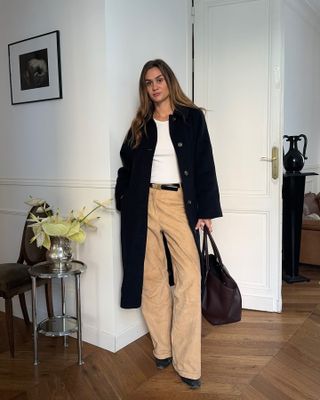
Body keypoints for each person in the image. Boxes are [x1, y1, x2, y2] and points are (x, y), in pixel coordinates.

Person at [115, 59, 222, 389]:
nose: (154, 86)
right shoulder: (141, 124)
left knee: (190, 280)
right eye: (148, 82)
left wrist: (206, 210)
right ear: (145, 89)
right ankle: (162, 348)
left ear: (169, 81)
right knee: (151, 279)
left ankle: (188, 363)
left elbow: (204, 165)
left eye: (159, 79)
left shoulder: (192, 119)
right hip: (143, 205)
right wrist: (125, 198)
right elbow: (126, 168)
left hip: (178, 204)